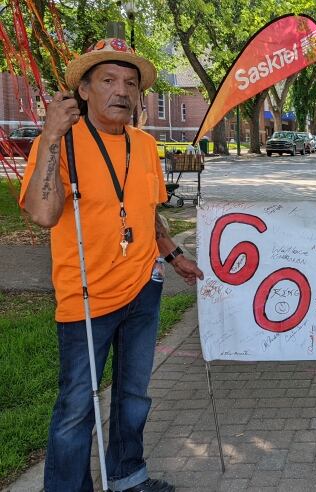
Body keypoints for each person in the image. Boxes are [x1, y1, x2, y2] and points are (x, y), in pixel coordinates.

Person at [20, 37, 204, 492]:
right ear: (83, 90)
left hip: (143, 287)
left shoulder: (144, 144)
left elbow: (146, 210)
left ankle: (127, 477)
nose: (121, 91)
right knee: (77, 406)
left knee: (134, 397)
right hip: (86, 296)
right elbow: (43, 215)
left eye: (129, 83)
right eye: (107, 80)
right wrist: (49, 137)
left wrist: (173, 254)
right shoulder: (60, 143)